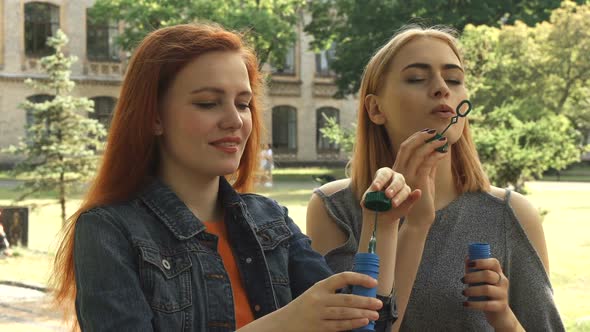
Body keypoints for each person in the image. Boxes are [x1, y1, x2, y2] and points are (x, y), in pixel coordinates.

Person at [49, 23, 417, 331]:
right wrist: (284, 323)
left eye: (243, 104)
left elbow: (361, 324)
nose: (235, 120)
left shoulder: (270, 220)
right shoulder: (109, 230)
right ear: (153, 117)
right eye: (208, 103)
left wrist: (380, 226)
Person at [306, 25, 564, 331]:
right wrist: (403, 224)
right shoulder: (335, 208)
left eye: (454, 79)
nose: (442, 88)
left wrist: (504, 316)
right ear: (376, 108)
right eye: (417, 78)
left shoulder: (512, 214)